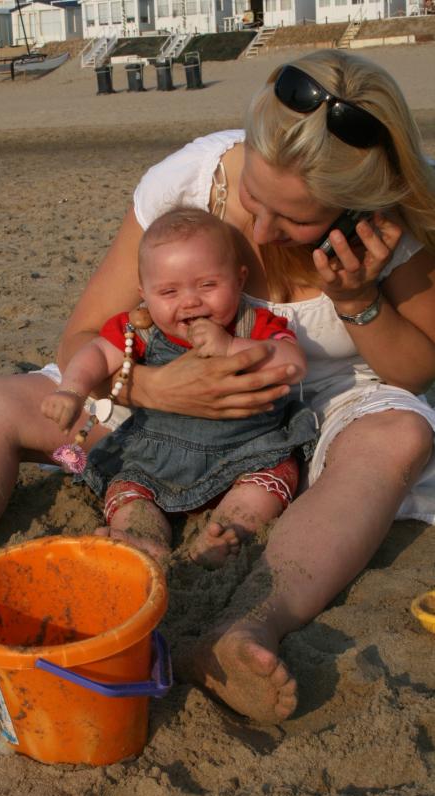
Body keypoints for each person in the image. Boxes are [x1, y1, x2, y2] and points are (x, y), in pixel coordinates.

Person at [0, 49, 435, 725]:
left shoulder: (395, 222)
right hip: (152, 383)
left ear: (357, 204)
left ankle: (243, 631)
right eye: (254, 200)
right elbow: (82, 336)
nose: (259, 234)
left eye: (294, 221)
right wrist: (152, 388)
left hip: (319, 403)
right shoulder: (186, 180)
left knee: (401, 433)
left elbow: (414, 368)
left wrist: (356, 298)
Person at [41, 207, 316, 568]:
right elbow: (95, 353)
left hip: (247, 452)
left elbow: (293, 363)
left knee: (267, 485)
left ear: (239, 279)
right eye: (169, 291)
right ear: (144, 294)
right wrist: (72, 390)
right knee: (129, 493)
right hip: (157, 459)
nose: (190, 301)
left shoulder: (252, 325)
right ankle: (144, 539)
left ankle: (224, 533)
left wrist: (231, 347)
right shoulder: (137, 331)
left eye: (207, 285)